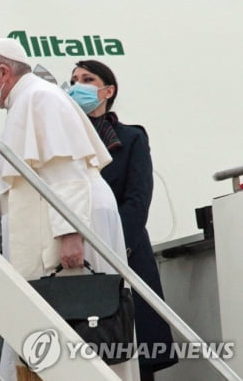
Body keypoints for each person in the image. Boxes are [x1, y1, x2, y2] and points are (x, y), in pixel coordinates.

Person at [0, 38, 139, 381]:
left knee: (87, 323)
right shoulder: (24, 101)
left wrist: (70, 236)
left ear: (4, 72)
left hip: (74, 224)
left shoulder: (41, 97)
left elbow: (67, 174)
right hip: (63, 219)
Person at [69, 60, 177, 380]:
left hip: (126, 256)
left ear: (107, 90)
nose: (77, 85)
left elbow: (137, 200)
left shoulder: (131, 139)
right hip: (78, 259)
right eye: (73, 79)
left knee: (134, 351)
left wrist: (114, 248)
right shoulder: (65, 140)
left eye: (87, 79)